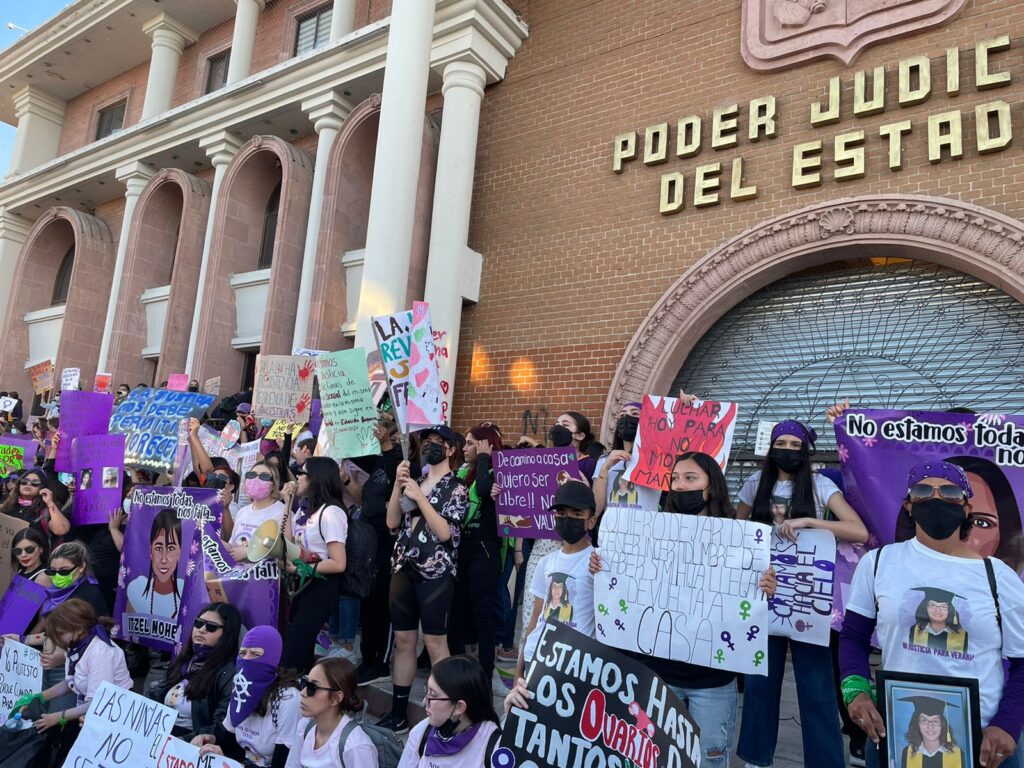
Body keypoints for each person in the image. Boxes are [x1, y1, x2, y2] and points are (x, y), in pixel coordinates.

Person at [589, 452, 777, 767]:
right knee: (652, 758)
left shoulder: (738, 539)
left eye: (690, 478)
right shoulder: (650, 530)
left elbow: (746, 605)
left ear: (711, 486)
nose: (680, 485)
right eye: (675, 479)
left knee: (708, 760)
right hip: (658, 676)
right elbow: (630, 582)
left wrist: (764, 588)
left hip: (712, 682)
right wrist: (605, 567)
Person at [841, 461, 1024, 768]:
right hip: (897, 736)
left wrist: (1008, 724)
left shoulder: (999, 577)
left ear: (966, 507)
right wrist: (855, 692)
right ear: (908, 505)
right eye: (924, 491)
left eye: (950, 492)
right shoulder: (878, 563)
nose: (936, 498)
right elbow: (853, 637)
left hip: (984, 744)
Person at [736, 418, 869, 768]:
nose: (789, 451)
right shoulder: (754, 484)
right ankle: (755, 757)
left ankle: (826, 762)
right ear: (771, 447)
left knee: (817, 688)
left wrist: (811, 522)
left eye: (797, 446)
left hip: (809, 598)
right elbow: (734, 530)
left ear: (806, 451)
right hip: (763, 592)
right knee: (759, 682)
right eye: (783, 444)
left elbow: (857, 530)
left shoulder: (820, 484)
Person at [380, 424, 468, 735]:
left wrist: (421, 497)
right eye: (427, 441)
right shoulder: (414, 480)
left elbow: (445, 533)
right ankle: (399, 712)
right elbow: (392, 520)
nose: (430, 446)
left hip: (437, 573)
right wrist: (398, 484)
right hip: (403, 567)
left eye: (438, 442)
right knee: (404, 640)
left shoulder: (456, 487)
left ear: (451, 449)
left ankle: (446, 715)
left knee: (434, 644)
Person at [18, 598, 132, 764]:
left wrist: (58, 717)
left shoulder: (99, 653)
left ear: (77, 629)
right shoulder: (77, 644)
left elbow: (97, 702)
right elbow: (73, 682)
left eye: (60, 633)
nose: (57, 639)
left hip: (113, 718)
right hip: (86, 714)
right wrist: (40, 696)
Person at [517, 481, 597, 681]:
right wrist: (520, 666)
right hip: (536, 658)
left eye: (577, 514)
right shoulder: (545, 563)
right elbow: (535, 619)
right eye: (561, 514)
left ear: (591, 521)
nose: (567, 519)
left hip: (574, 665)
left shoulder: (596, 562)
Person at [193, 625, 303, 767]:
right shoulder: (240, 686)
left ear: (272, 658)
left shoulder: (287, 700)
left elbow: (283, 762)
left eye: (255, 654)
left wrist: (230, 762)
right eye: (243, 653)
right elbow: (227, 734)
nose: (246, 659)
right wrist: (209, 739)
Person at [450, 422, 505, 695]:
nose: (466, 447)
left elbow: (484, 490)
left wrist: (484, 458)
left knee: (482, 612)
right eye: (467, 442)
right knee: (458, 611)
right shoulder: (462, 471)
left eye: (472, 443)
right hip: (462, 549)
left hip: (484, 550)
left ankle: (486, 673)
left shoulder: (495, 471)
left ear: (486, 445)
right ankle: (457, 670)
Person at [280, 456, 349, 672]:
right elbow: (288, 543)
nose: (297, 477)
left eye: (302, 473)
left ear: (316, 478)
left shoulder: (331, 513)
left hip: (321, 586)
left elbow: (338, 562)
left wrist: (303, 568)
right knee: (297, 647)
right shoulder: (304, 509)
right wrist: (287, 503)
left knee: (294, 650)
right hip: (302, 583)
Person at [353, 414, 402, 685]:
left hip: (389, 542)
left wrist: (388, 446)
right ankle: (367, 657)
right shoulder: (379, 462)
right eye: (387, 437)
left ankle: (381, 662)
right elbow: (355, 450)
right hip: (368, 541)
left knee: (383, 603)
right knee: (367, 601)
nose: (389, 442)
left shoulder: (404, 464)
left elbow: (398, 475)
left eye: (395, 439)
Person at [152, 602, 241, 743]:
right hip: (160, 734)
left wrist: (182, 740)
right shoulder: (185, 660)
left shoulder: (229, 674)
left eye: (211, 627)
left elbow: (222, 726)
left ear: (227, 634)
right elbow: (156, 694)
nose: (201, 630)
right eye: (198, 623)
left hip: (189, 745)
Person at [398, 655, 501, 767]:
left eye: (432, 695)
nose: (424, 701)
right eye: (427, 691)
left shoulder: (493, 746)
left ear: (459, 707)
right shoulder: (422, 733)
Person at [295, 657, 380, 767]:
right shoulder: (305, 726)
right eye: (304, 683)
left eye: (312, 687)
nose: (302, 692)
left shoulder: (356, 746)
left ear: (336, 698)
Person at [125, 508, 185, 619]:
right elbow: (129, 633)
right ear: (150, 550)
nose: (164, 558)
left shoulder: (187, 591)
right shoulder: (136, 588)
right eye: (158, 547)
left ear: (179, 553)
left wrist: (224, 508)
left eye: (171, 548)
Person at [226, 462, 285, 560]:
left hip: (264, 573)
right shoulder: (243, 511)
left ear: (274, 485)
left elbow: (283, 551)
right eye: (251, 475)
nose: (256, 479)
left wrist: (248, 552)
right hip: (238, 572)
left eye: (264, 476)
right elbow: (232, 546)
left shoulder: (282, 512)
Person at [0, 467, 70, 541]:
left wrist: (50, 502)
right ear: (19, 485)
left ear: (42, 487)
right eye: (24, 481)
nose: (28, 484)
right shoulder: (8, 506)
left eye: (35, 483)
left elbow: (62, 530)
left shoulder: (46, 510)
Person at [897, 696, 964, 768]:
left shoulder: (956, 753)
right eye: (924, 720)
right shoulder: (908, 752)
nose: (930, 726)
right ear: (917, 724)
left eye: (935, 721)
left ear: (943, 725)